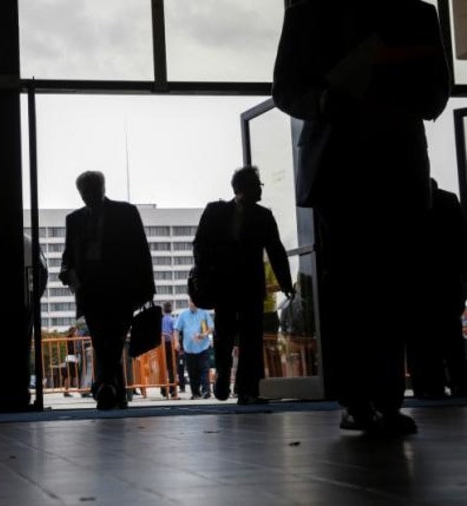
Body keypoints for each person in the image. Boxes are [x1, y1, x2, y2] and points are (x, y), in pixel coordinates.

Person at [273, 0, 450, 434]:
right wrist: (330, 99)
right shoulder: (414, 15)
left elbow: (436, 93)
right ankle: (369, 399)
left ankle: (372, 400)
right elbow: (286, 90)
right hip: (353, 168)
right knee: (362, 287)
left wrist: (353, 92)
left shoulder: (311, 14)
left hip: (376, 164)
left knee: (380, 287)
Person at [193, 166, 293, 406]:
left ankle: (247, 388)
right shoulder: (217, 211)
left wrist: (286, 283)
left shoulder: (262, 216)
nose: (260, 189)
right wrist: (205, 275)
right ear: (243, 189)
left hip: (246, 287)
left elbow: (276, 251)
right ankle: (225, 378)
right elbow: (200, 246)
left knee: (249, 338)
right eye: (257, 185)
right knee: (226, 335)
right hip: (226, 286)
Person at [59, 170, 155, 410]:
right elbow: (68, 255)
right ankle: (114, 392)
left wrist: (146, 289)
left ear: (102, 188)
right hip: (90, 292)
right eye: (83, 193)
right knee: (105, 343)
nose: (87, 197)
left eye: (91, 191)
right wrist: (65, 271)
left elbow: (141, 252)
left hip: (121, 291)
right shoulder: (74, 220)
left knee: (111, 341)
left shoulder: (126, 213)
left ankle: (103, 387)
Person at [408, 178, 467, 398]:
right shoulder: (449, 201)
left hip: (416, 285)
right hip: (447, 282)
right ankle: (459, 382)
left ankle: (427, 386)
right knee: (451, 338)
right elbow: (462, 244)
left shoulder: (402, 204)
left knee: (420, 340)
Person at [174, 299, 214, 400]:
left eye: (194, 302)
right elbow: (176, 329)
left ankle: (206, 391)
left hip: (203, 347)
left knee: (204, 369)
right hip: (189, 348)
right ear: (188, 303)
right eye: (191, 302)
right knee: (192, 372)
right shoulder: (183, 315)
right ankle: (196, 393)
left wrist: (203, 334)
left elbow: (211, 327)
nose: (193, 304)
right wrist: (176, 342)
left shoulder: (204, 313)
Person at [160, 301, 177, 398]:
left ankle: (163, 389)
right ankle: (172, 389)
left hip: (161, 346)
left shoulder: (160, 320)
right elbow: (174, 332)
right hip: (170, 344)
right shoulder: (173, 320)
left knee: (162, 367)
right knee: (171, 368)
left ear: (163, 309)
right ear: (171, 309)